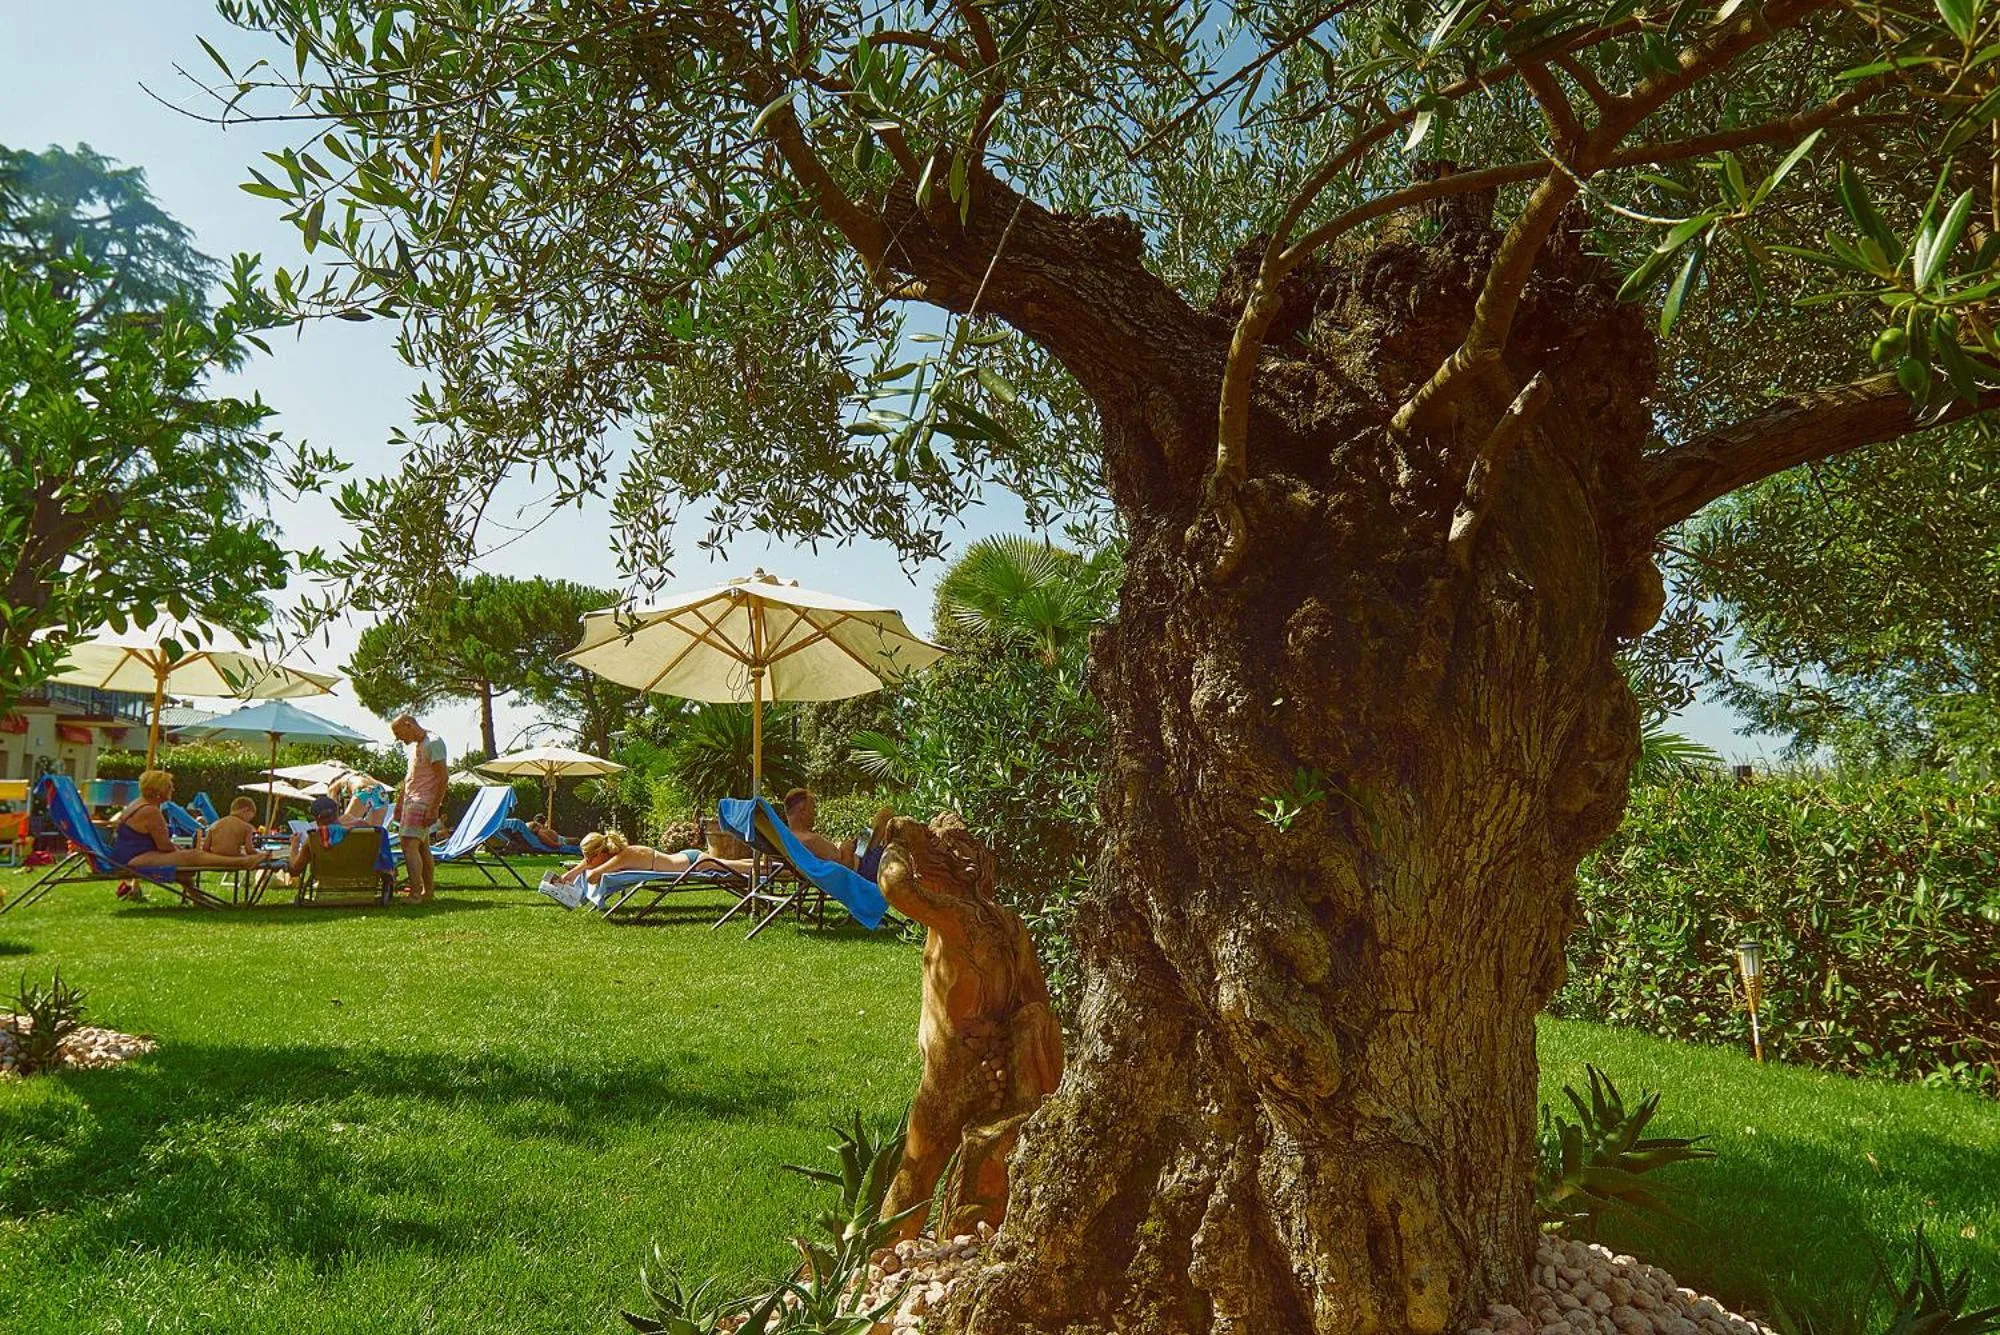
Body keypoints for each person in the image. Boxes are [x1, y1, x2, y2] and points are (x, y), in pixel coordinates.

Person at [109, 771, 264, 872]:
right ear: (158, 791)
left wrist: (178, 850)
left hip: (126, 854)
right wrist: (183, 853)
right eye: (170, 787)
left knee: (188, 861)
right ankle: (244, 862)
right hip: (133, 859)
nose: (173, 790)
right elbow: (164, 846)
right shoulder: (150, 811)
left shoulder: (137, 803)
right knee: (194, 857)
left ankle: (194, 895)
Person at [552, 830, 749, 886]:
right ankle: (770, 865)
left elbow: (592, 875)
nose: (585, 861)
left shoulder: (624, 856)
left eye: (588, 856)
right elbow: (588, 865)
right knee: (738, 864)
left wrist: (577, 877)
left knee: (743, 869)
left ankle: (777, 869)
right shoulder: (618, 854)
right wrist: (568, 876)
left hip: (695, 865)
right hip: (687, 859)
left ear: (601, 854)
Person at [391, 714, 448, 901]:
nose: (398, 738)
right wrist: (399, 804)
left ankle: (416, 893)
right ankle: (427, 892)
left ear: (408, 725)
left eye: (398, 733)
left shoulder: (434, 743)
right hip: (411, 801)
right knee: (423, 847)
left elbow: (443, 778)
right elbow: (409, 779)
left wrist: (434, 808)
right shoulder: (416, 747)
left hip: (422, 802)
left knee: (408, 845)